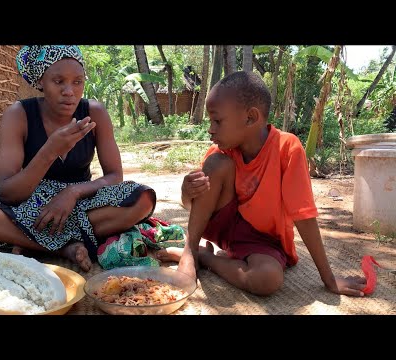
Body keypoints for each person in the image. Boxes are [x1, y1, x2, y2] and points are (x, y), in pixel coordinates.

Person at [0, 45, 156, 272]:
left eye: (77, 82)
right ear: (41, 82)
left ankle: (26, 240)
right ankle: (61, 248)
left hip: (81, 203)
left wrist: (72, 193)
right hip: (28, 204)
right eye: (59, 81)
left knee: (142, 198)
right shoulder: (18, 114)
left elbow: (115, 176)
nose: (69, 91)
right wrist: (50, 151)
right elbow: (7, 193)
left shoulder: (94, 112)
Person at [156, 71, 367, 297]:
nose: (211, 129)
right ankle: (190, 251)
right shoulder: (222, 153)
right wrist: (187, 192)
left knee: (267, 279)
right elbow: (194, 206)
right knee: (215, 163)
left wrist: (329, 278)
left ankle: (205, 257)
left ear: (250, 118)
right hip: (225, 230)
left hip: (264, 243)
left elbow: (303, 216)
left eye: (217, 120)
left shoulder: (287, 149)